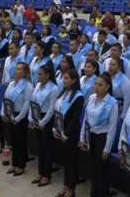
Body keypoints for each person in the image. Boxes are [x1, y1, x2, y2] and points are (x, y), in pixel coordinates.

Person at [79, 72, 119, 197]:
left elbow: (112, 128)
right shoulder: (91, 98)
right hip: (91, 136)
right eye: (95, 84)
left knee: (102, 171)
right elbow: (86, 119)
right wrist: (82, 138)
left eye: (100, 85)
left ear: (107, 87)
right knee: (94, 169)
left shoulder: (112, 103)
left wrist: (107, 149)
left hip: (103, 138)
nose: (96, 87)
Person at [52, 69, 84, 197]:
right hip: (61, 130)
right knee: (66, 160)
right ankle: (65, 184)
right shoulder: (63, 94)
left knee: (72, 161)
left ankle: (71, 188)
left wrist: (66, 133)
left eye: (66, 78)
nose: (63, 81)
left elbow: (75, 118)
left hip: (71, 133)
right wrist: (55, 127)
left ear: (74, 80)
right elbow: (57, 111)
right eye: (63, 78)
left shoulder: (78, 96)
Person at [2, 62, 34, 176]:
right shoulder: (11, 84)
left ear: (24, 72)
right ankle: (14, 164)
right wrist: (3, 112)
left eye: (19, 69)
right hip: (10, 114)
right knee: (13, 141)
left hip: (20, 116)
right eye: (15, 68)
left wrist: (19, 118)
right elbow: (5, 98)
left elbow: (27, 104)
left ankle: (21, 165)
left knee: (21, 141)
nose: (16, 71)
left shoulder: (28, 86)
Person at [29, 64, 59, 187]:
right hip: (37, 116)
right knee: (39, 147)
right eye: (38, 74)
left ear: (48, 75)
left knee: (47, 149)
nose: (38, 76)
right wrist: (31, 117)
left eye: (41, 74)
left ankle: (47, 174)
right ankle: (40, 171)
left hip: (47, 119)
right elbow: (32, 101)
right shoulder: (37, 86)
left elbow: (52, 108)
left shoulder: (53, 88)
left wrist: (43, 122)